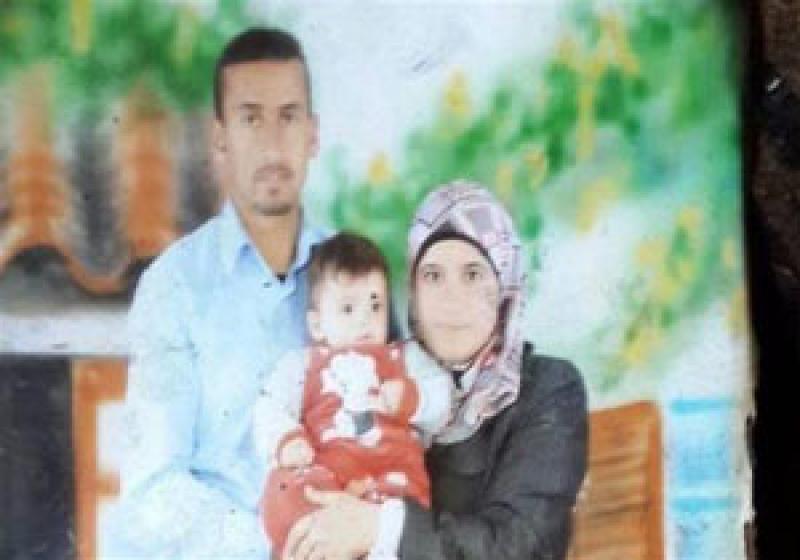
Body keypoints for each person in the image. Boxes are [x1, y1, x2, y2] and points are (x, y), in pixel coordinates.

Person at [281, 181, 589, 560]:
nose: (450, 299)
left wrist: (379, 527)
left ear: (504, 287)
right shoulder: (379, 380)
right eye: (432, 276)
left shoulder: (547, 387)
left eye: (472, 274)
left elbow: (522, 545)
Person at [109, 27, 327, 558]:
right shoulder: (176, 286)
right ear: (221, 139)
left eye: (289, 117)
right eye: (251, 119)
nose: (272, 144)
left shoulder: (351, 275)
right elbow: (153, 491)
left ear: (313, 134)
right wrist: (279, 546)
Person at [253, 232, 453, 557]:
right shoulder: (302, 364)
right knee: (283, 491)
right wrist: (287, 439)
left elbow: (443, 399)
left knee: (400, 519)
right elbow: (269, 405)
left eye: (375, 306)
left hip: (390, 478)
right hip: (324, 476)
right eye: (348, 308)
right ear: (317, 326)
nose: (365, 320)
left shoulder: (405, 357)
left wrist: (411, 399)